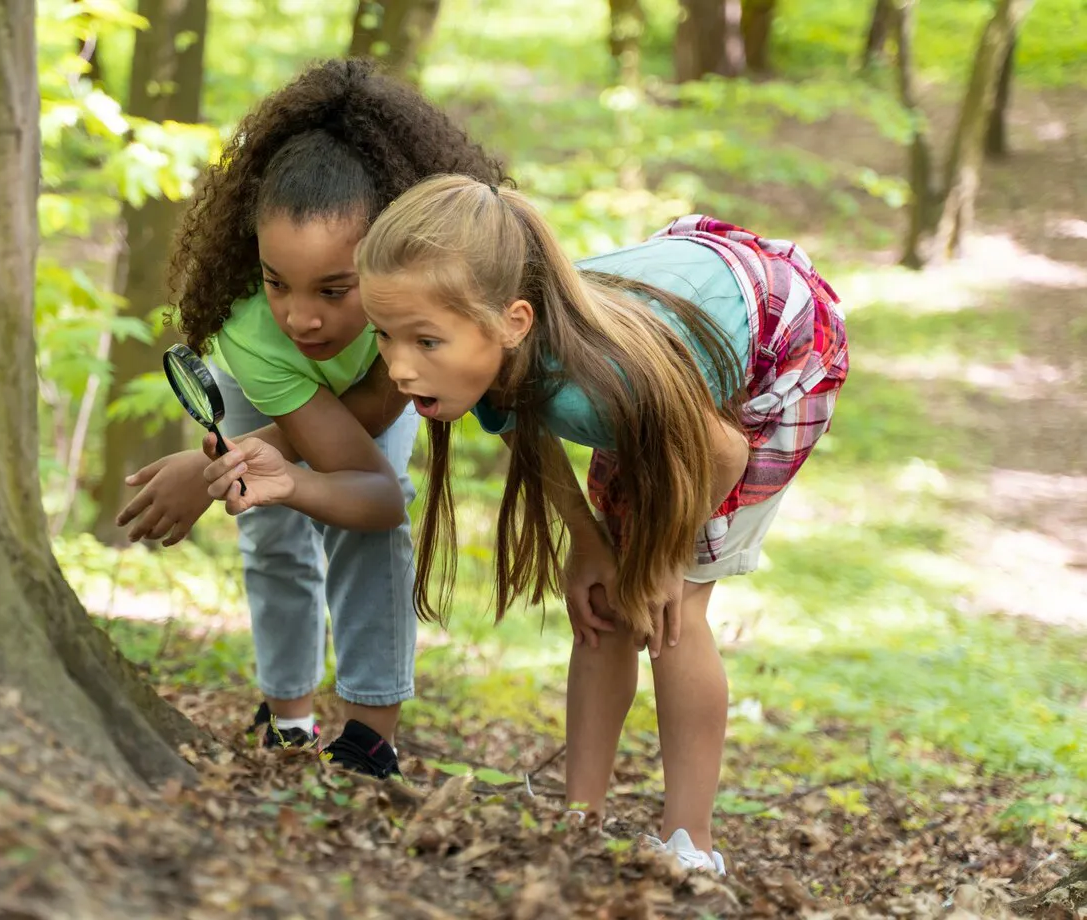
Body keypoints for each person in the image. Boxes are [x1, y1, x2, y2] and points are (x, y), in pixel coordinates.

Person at [215, 174, 847, 870]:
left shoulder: (604, 381)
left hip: (777, 353)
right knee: (610, 600)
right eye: (385, 337)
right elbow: (528, 428)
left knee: (672, 609)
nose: (396, 367)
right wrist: (586, 540)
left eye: (425, 341)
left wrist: (667, 556)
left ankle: (690, 842)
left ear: (512, 322)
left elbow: (720, 449)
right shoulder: (504, 359)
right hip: (678, 357)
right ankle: (581, 816)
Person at [114, 61, 508, 779]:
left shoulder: (411, 310)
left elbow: (357, 444)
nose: (301, 315)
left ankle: (369, 732)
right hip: (270, 393)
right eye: (276, 281)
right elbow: (307, 442)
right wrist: (231, 473)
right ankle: (287, 714)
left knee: (370, 526)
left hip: (371, 385)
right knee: (270, 533)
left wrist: (206, 472)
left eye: (334, 288)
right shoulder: (253, 331)